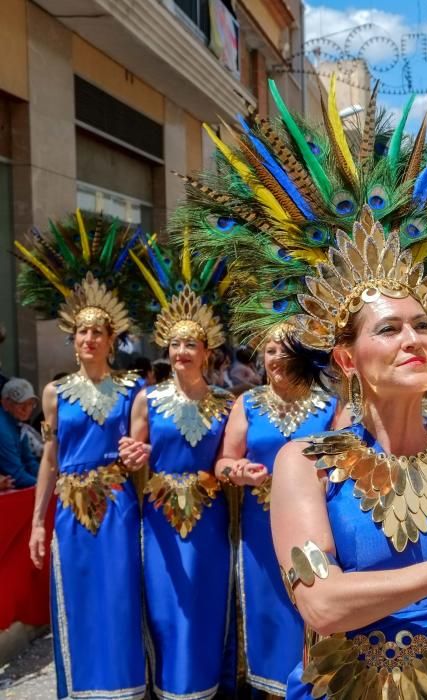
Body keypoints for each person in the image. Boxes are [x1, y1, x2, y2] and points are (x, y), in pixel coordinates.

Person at [180, 79, 427, 699]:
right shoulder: (306, 466)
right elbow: (323, 604)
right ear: (346, 356)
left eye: (423, 325)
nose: (414, 340)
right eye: (390, 328)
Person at [19, 211, 148, 699]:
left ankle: (126, 689)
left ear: (112, 341)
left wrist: (139, 465)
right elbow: (49, 458)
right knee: (76, 598)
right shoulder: (53, 393)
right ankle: (80, 690)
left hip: (118, 506)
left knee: (119, 598)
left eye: (99, 332)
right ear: (72, 341)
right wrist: (37, 521)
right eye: (82, 332)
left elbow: (141, 455)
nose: (90, 339)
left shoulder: (133, 391)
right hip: (70, 510)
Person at [119, 237, 234, 699]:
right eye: (175, 343)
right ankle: (166, 688)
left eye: (191, 343)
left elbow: (228, 461)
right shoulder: (146, 399)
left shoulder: (227, 403)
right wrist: (134, 461)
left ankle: (209, 687)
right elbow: (134, 456)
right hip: (161, 519)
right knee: (165, 606)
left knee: (206, 602)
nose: (182, 350)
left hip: (210, 520)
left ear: (207, 350)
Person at [215, 325, 340, 697]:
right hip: (259, 531)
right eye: (271, 350)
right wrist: (236, 471)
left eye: (287, 350)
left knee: (312, 606)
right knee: (266, 613)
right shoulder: (247, 404)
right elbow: (224, 461)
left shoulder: (331, 405)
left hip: (314, 527)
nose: (278, 358)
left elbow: (349, 461)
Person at [0, 378, 40, 487]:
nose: (26, 409)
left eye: (31, 403)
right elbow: (16, 475)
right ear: (5, 403)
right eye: (20, 404)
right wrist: (45, 486)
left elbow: (29, 461)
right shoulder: (3, 428)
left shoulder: (17, 424)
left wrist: (50, 479)